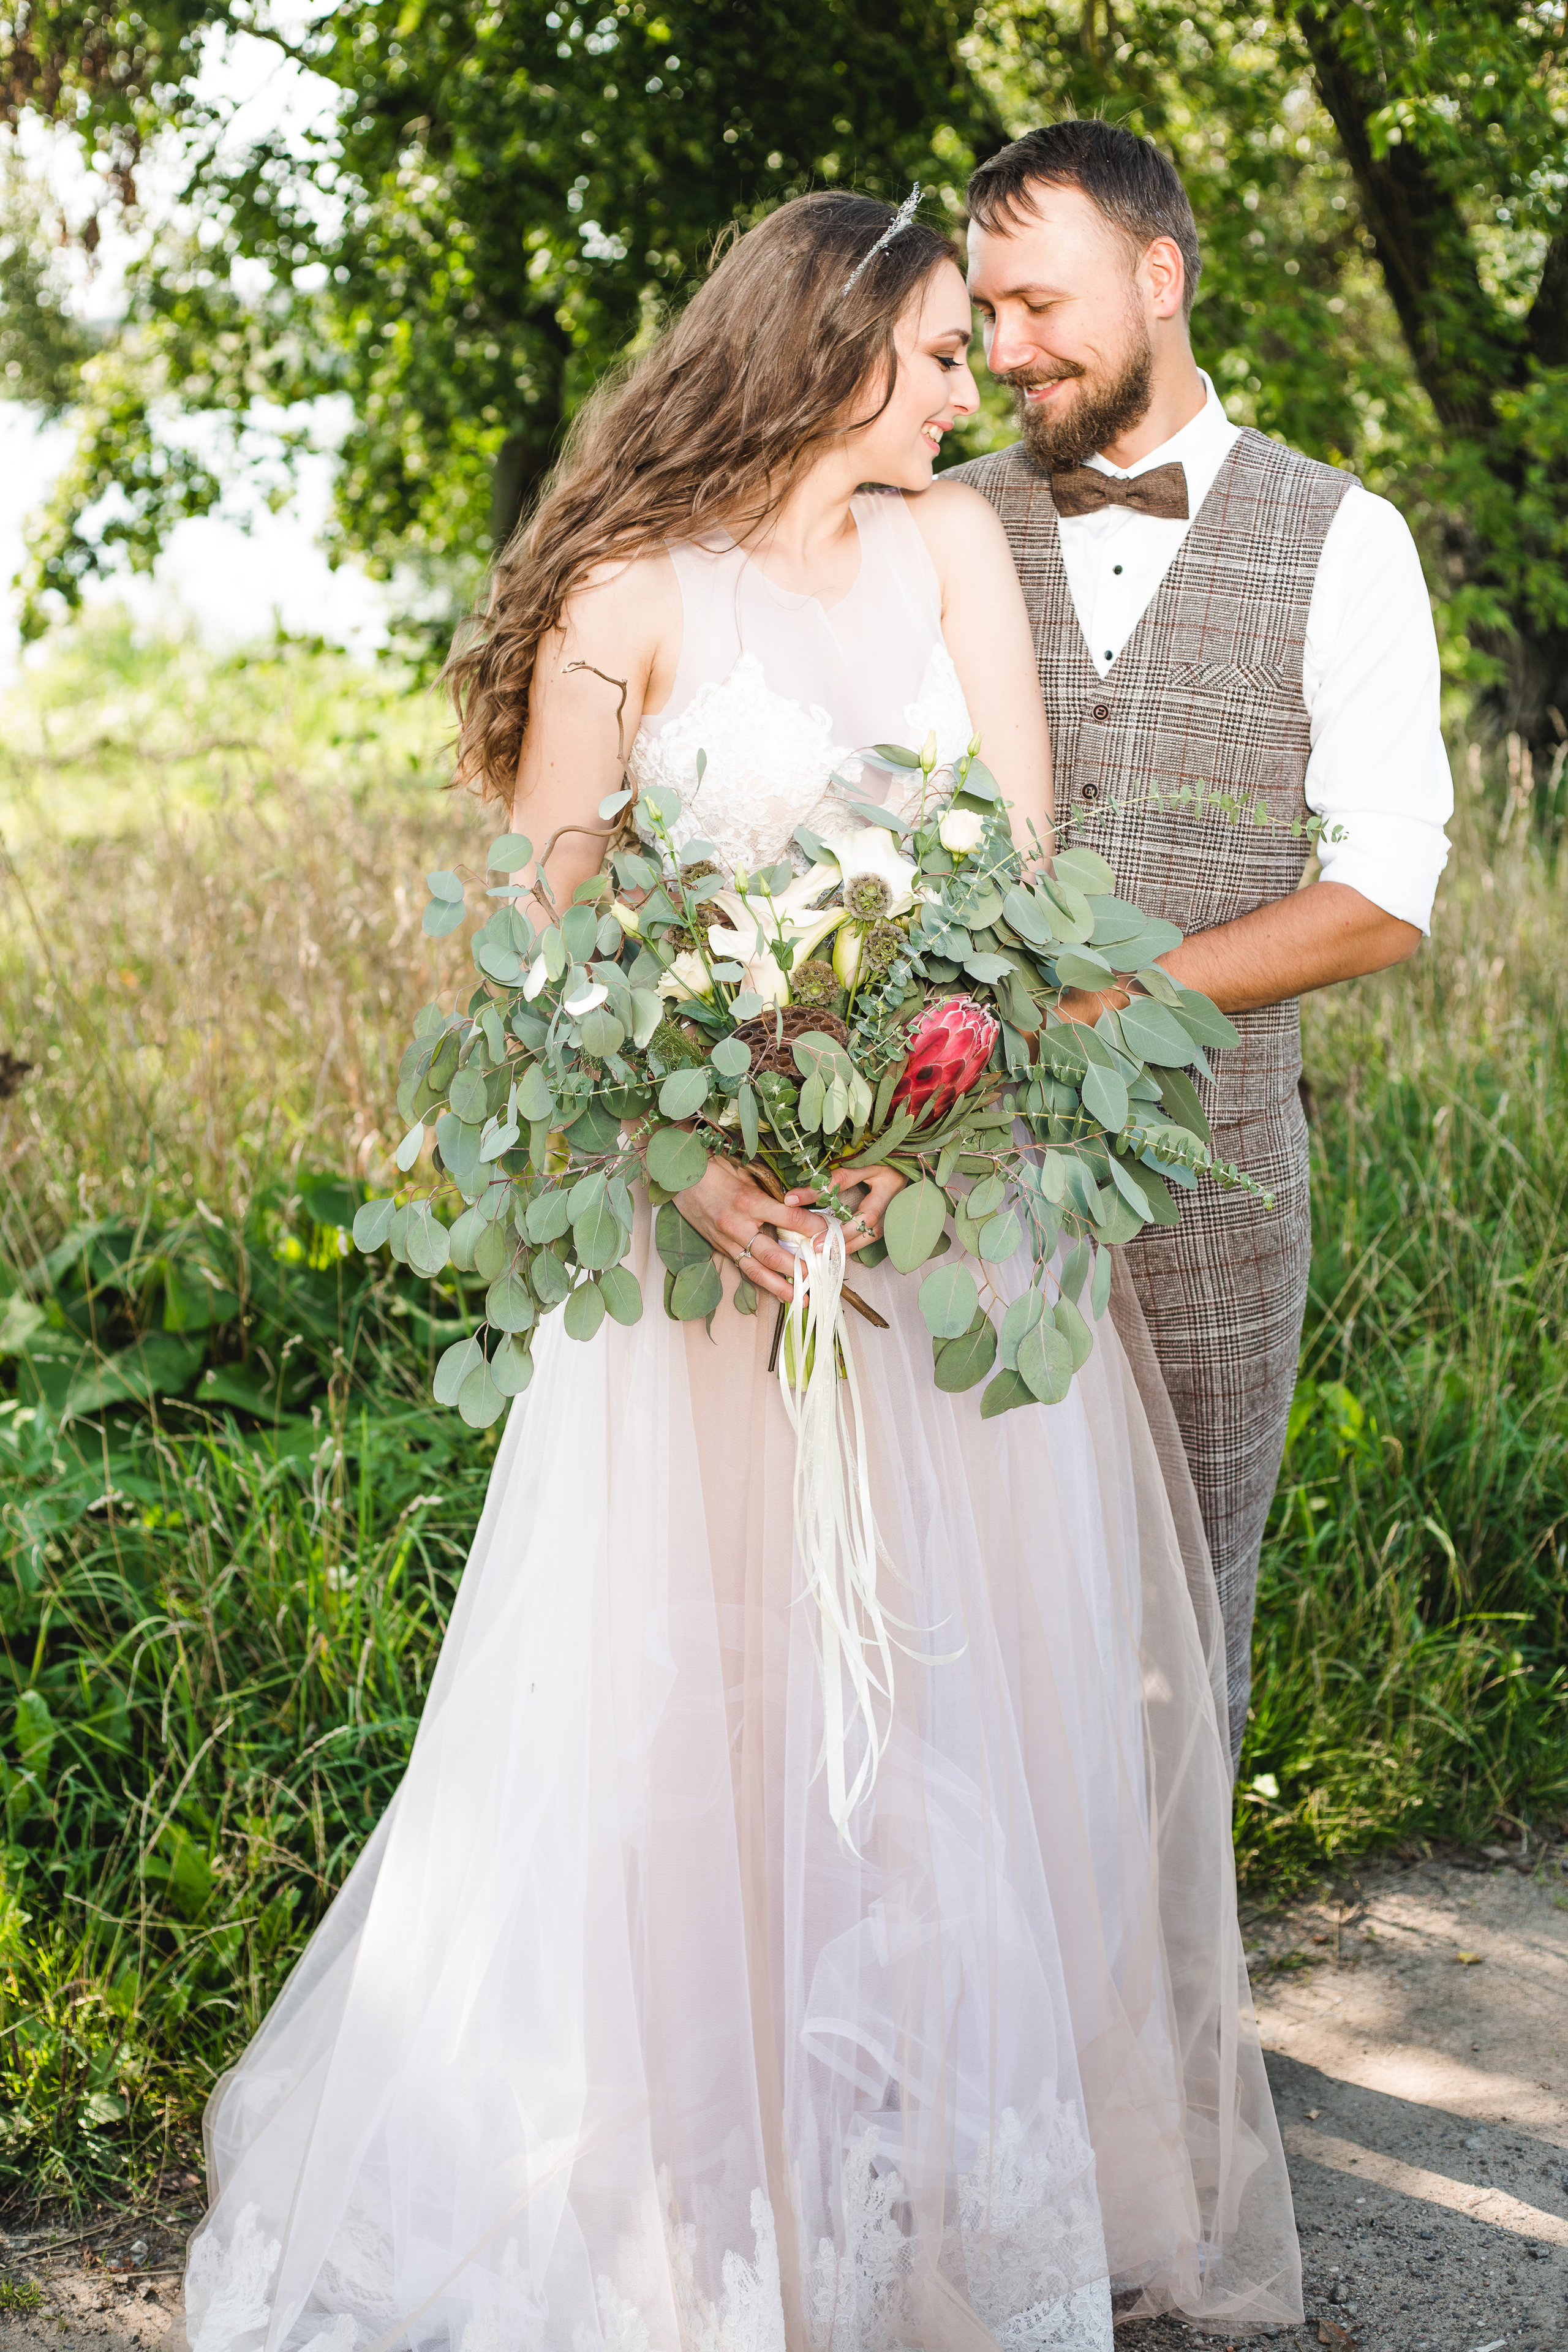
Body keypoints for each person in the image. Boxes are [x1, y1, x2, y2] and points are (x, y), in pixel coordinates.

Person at [184, 192, 1301, 2352]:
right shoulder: (628, 597)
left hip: (930, 1236)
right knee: (698, 1727)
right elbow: (541, 955)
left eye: (977, 347)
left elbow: (1018, 884)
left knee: (951, 1723)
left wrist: (922, 1112)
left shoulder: (953, 551)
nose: (971, 386)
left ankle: (916, 2207)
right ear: (829, 347)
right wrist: (690, 1159)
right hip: (709, 1275)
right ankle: (698, 2207)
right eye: (941, 349)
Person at [950, 123, 1452, 1770]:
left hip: (1214, 1186)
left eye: (1039, 304)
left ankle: (1170, 1946)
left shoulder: (1345, 538)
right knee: (961, 1619)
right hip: (941, 1187)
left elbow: (1386, 890)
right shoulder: (935, 527)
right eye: (986, 312)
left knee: (1182, 1626)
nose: (1004, 350)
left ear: (1159, 276)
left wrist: (1120, 1001)